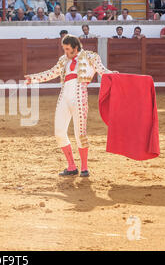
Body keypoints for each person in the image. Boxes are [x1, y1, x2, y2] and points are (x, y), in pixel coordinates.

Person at [24, 35, 117, 177]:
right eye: (64, 49)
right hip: (64, 96)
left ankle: (84, 167)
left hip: (79, 96)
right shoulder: (63, 60)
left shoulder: (90, 56)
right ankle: (72, 166)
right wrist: (34, 78)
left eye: (67, 49)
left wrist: (112, 74)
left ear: (75, 47)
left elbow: (102, 71)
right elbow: (51, 72)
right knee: (59, 132)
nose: (66, 52)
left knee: (80, 133)